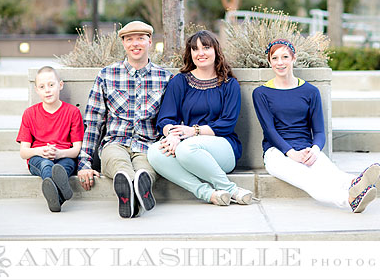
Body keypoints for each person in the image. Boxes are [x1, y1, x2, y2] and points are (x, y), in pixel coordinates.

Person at [252, 39, 380, 213]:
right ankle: (350, 200)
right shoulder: (261, 93)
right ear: (269, 62)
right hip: (277, 153)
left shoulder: (310, 91)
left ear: (294, 58)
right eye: (274, 58)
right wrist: (291, 153)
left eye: (285, 57)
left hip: (307, 148)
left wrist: (315, 150)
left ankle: (355, 183)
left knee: (332, 173)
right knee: (309, 180)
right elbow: (269, 130)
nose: (280, 62)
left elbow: (319, 130)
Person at [77, 20, 171, 219]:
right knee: (119, 164)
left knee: (146, 169)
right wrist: (84, 162)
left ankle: (139, 189)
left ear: (150, 41)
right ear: (123, 43)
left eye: (140, 39)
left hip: (148, 144)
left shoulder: (165, 78)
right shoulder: (106, 75)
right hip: (115, 143)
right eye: (129, 39)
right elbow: (94, 121)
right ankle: (127, 188)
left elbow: (170, 118)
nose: (135, 44)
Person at [147, 30, 252, 206]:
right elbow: (165, 119)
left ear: (216, 51)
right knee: (155, 152)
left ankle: (230, 189)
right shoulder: (180, 81)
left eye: (206, 47)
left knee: (187, 148)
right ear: (190, 54)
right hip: (186, 146)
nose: (200, 53)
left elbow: (227, 124)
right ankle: (208, 194)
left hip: (222, 146)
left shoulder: (229, 84)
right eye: (195, 49)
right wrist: (172, 135)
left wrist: (193, 131)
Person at [17, 66, 84, 212]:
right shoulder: (29, 114)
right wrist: (40, 151)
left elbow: (77, 149)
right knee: (46, 165)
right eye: (42, 86)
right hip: (38, 157)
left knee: (62, 167)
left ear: (60, 85)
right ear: (36, 90)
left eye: (51, 85)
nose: (47, 90)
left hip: (64, 156)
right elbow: (24, 152)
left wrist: (59, 153)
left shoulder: (73, 112)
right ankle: (60, 192)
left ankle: (57, 197)